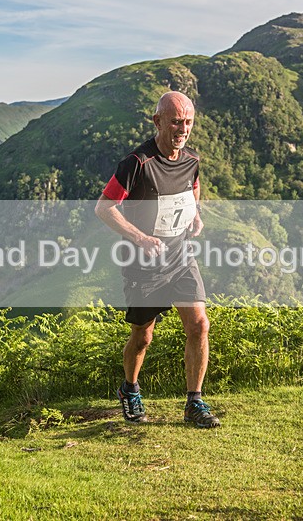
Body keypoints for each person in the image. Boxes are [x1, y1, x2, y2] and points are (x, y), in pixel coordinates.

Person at [95, 91, 220, 428]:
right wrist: (139, 237)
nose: (183, 128)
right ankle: (130, 389)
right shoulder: (136, 164)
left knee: (199, 324)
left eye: (189, 122)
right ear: (158, 121)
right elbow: (103, 208)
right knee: (143, 337)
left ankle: (194, 403)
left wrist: (196, 214)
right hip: (143, 265)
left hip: (180, 256)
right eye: (176, 121)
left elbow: (193, 187)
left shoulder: (191, 160)